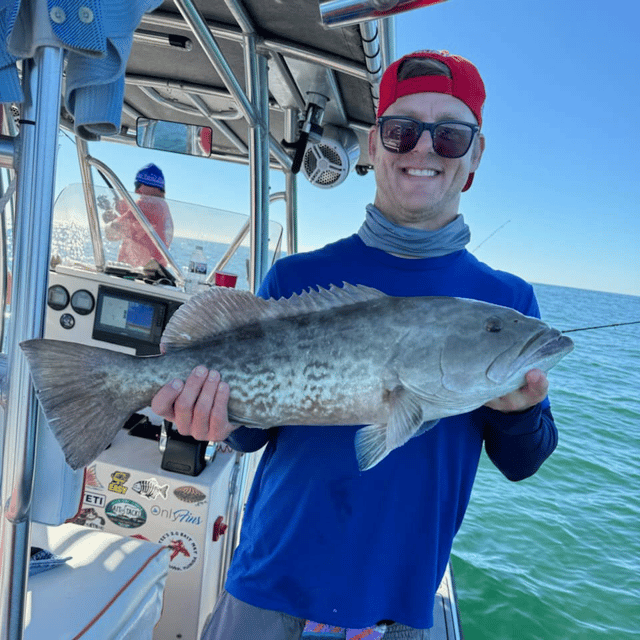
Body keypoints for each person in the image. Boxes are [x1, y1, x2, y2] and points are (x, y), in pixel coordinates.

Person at [151, 50, 558, 640]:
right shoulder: (295, 277)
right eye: (401, 131)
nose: (423, 149)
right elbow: (249, 432)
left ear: (475, 154)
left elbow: (524, 462)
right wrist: (210, 418)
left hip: (397, 609)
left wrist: (522, 415)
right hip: (269, 586)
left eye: (448, 136)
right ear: (374, 146)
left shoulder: (507, 306)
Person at [103, 163, 174, 268]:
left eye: (138, 185)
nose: (136, 190)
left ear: (150, 185)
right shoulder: (161, 205)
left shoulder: (147, 203)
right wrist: (119, 207)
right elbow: (137, 221)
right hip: (152, 270)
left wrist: (110, 220)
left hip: (140, 273)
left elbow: (112, 233)